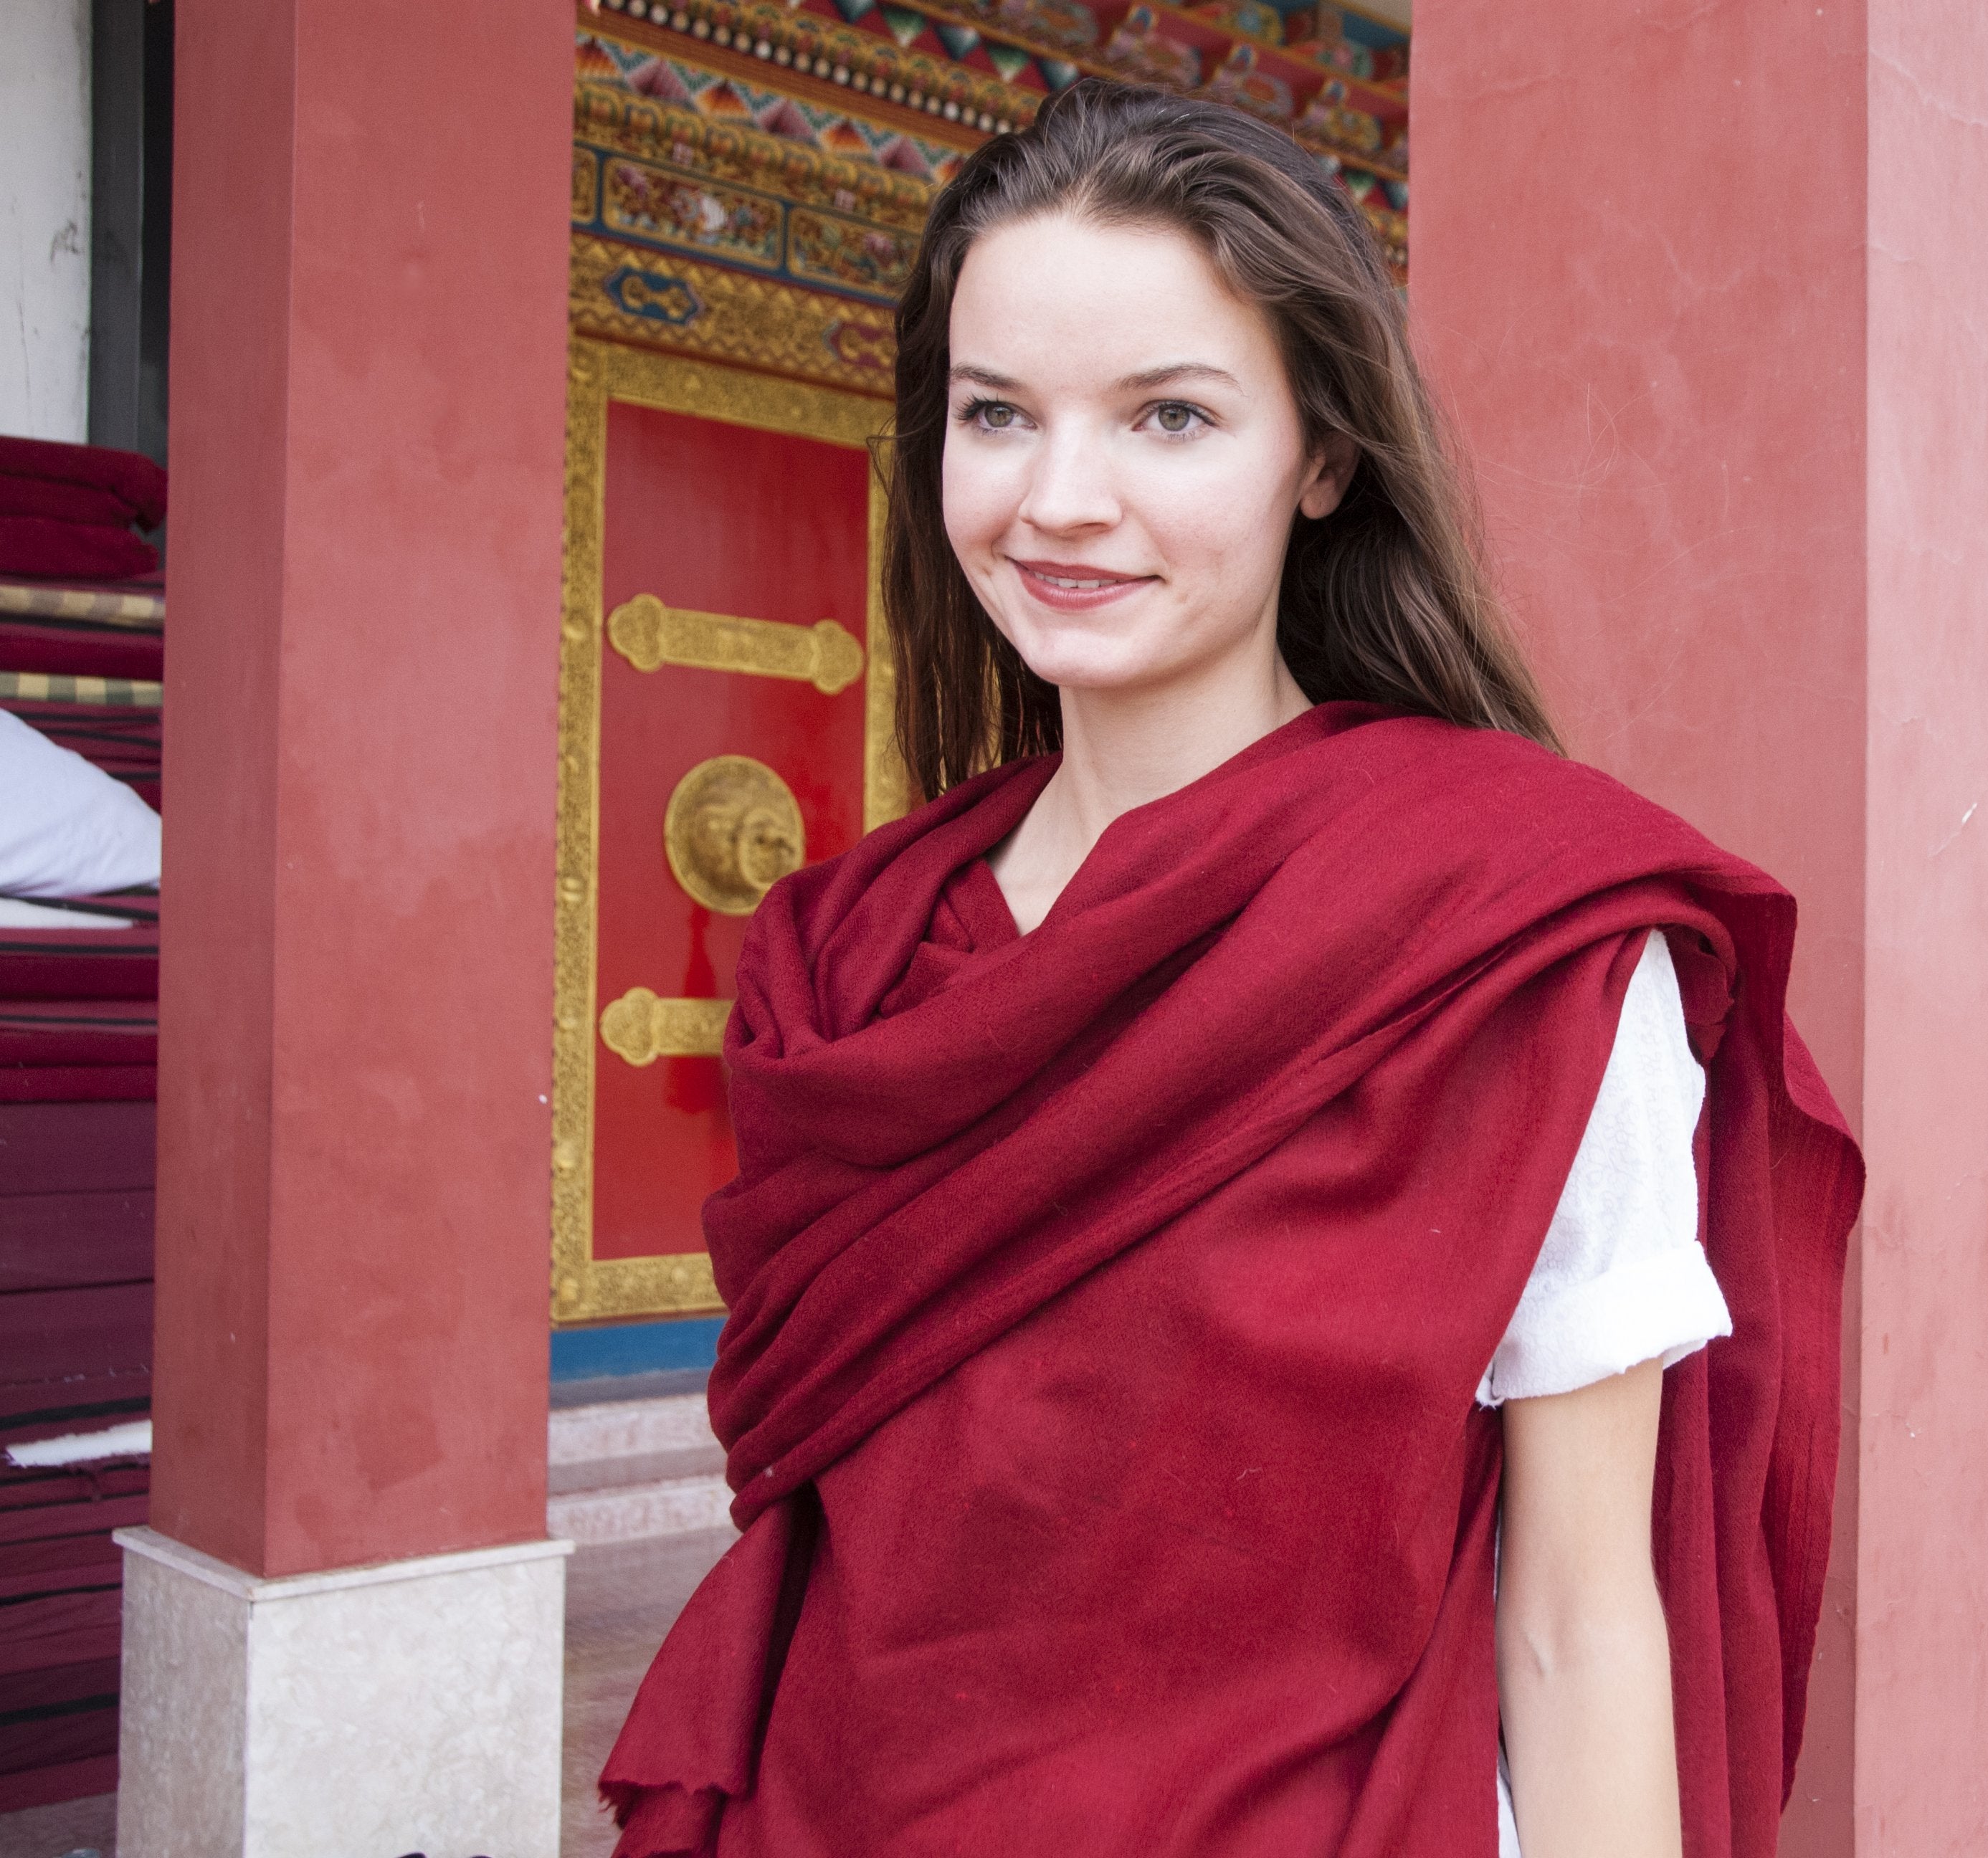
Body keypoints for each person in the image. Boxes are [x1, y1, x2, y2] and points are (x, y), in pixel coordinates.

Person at [601, 78, 1861, 1858]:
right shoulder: (852, 953)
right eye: (995, 416)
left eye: (1168, 417)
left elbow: (1583, 1619)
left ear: (1322, 455)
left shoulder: (1516, 937)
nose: (1058, 500)